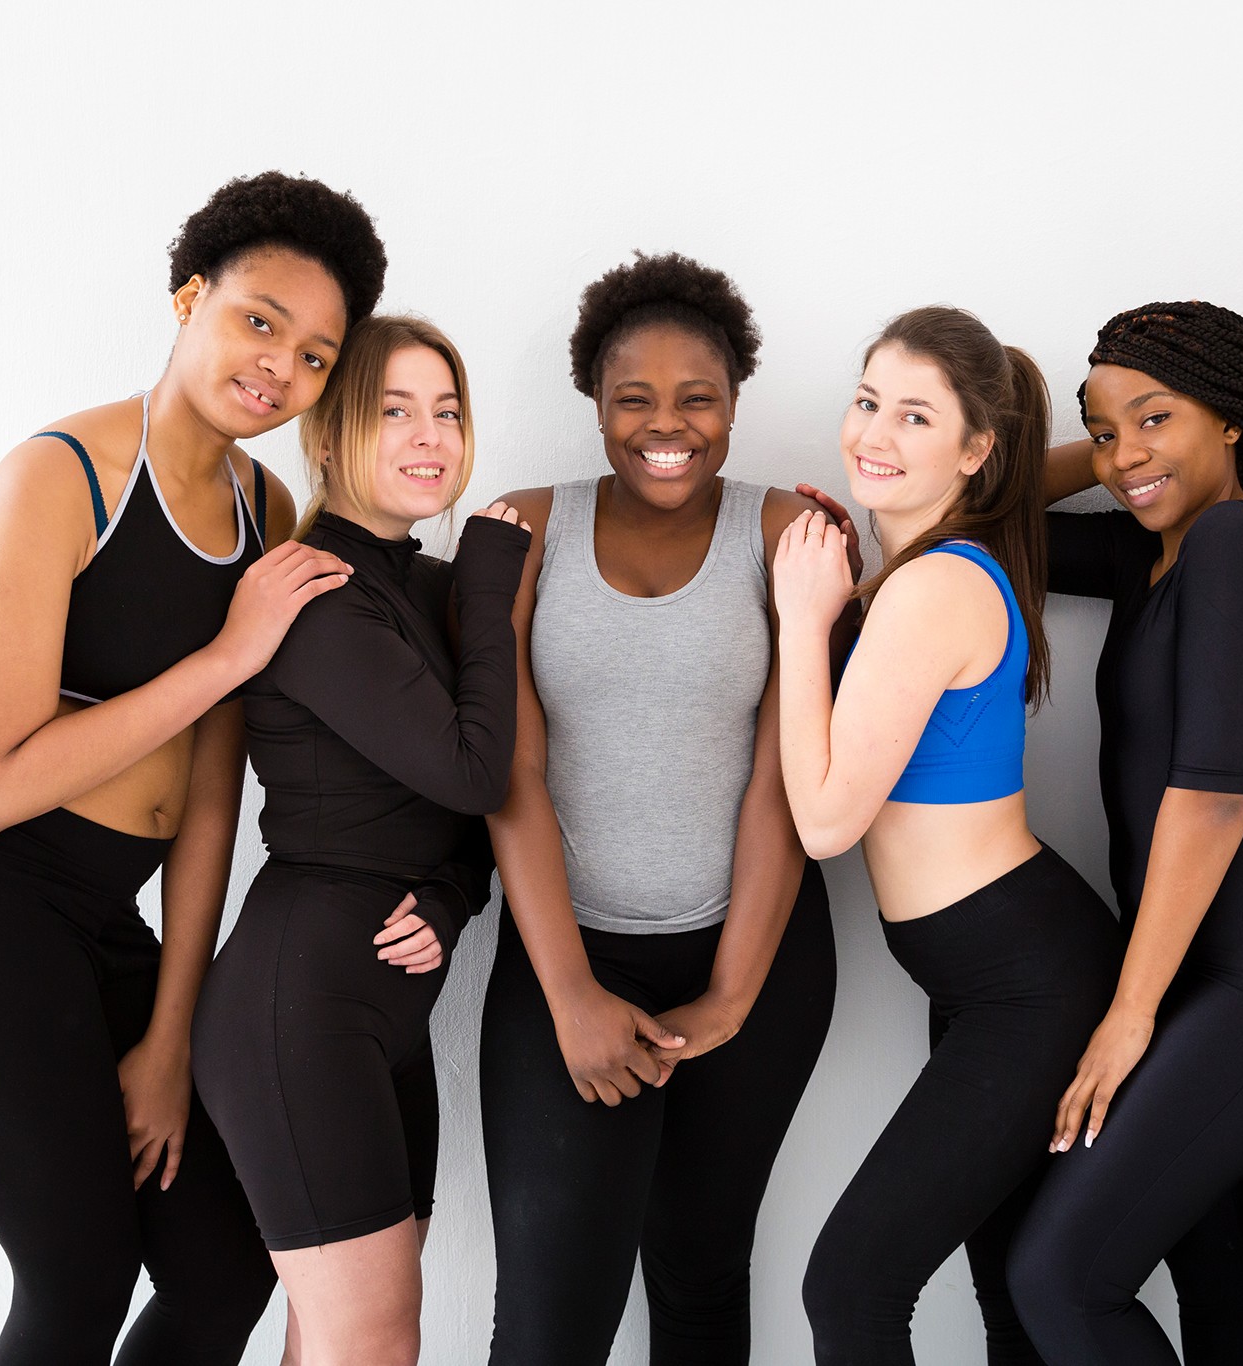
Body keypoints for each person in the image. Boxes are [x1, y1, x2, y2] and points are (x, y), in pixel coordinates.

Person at [0, 171, 387, 1365]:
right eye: (258, 321)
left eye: (313, 355)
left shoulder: (265, 508)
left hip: (102, 922)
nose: (279, 367)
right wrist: (228, 654)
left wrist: (169, 1032)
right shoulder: (60, 475)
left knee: (224, 1267)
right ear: (190, 298)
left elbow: (210, 790)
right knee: (77, 1275)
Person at [478, 252, 839, 1365]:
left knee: (698, 1274)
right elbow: (511, 776)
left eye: (698, 398)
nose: (666, 425)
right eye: (633, 398)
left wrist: (730, 996)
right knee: (547, 1318)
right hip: (566, 956)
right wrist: (570, 993)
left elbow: (782, 782)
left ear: (734, 403)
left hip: (754, 956)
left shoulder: (784, 532)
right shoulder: (522, 529)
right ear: (595, 403)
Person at [1001, 302, 1243, 1364]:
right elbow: (976, 509)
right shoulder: (1148, 552)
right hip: (1207, 971)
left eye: (1155, 417)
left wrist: (1130, 1014)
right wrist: (1120, 445)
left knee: (1060, 1277)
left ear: (1230, 417)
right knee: (1217, 1275)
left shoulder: (1231, 543)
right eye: (1102, 431)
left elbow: (1211, 801)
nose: (1124, 455)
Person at [779, 305, 1122, 1365]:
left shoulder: (933, 585)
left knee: (851, 1287)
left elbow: (825, 820)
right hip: (995, 972)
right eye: (867, 400)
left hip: (1025, 983)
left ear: (974, 450)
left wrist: (803, 620)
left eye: (914, 416)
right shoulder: (925, 570)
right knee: (1008, 1293)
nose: (874, 433)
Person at [191, 315, 530, 1366]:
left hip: (383, 1014)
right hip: (301, 1005)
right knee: (370, 1343)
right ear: (330, 437)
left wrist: (451, 897)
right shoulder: (317, 593)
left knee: (349, 1341)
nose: (431, 437)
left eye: (447, 412)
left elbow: (468, 811)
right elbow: (476, 769)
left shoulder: (420, 587)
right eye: (395, 412)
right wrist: (490, 591)